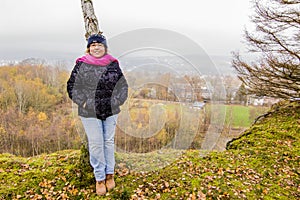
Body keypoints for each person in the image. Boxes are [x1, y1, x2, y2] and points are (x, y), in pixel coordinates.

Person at [67, 34, 128, 196]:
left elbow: (123, 87)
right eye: (93, 45)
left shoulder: (113, 64)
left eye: (99, 45)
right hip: (89, 112)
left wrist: (116, 101)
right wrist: (85, 102)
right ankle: (99, 178)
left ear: (105, 47)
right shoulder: (81, 65)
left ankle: (110, 175)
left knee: (108, 142)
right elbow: (72, 87)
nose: (96, 47)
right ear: (89, 48)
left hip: (111, 110)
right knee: (96, 143)